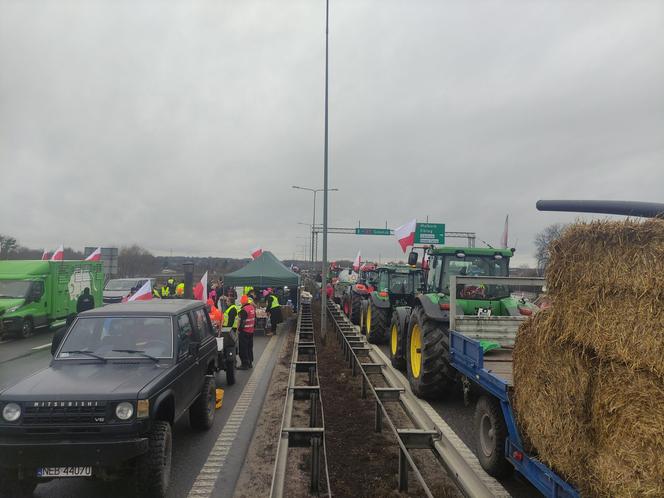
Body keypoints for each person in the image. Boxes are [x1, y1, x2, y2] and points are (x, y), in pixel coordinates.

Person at [237, 294, 255, 370]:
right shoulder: (252, 308)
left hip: (244, 332)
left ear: (242, 302)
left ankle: (245, 364)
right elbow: (255, 319)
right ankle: (250, 362)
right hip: (251, 331)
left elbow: (242, 322)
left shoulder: (244, 310)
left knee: (243, 348)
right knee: (249, 347)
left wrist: (239, 330)